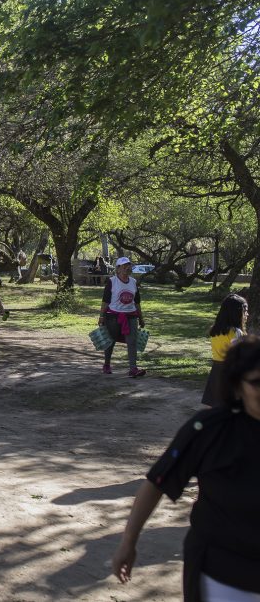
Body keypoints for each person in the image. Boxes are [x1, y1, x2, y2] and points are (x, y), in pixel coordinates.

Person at [111, 336, 260, 600]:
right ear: (237, 385)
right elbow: (156, 482)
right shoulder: (208, 430)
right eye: (257, 382)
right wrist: (128, 541)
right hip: (223, 575)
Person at [98, 257, 146, 377]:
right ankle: (107, 364)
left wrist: (141, 318)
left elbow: (137, 302)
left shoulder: (133, 282)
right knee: (111, 341)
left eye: (128, 265)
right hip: (113, 316)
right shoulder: (112, 281)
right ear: (118, 269)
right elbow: (105, 301)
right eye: (124, 265)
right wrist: (101, 316)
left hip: (131, 316)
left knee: (132, 341)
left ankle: (133, 369)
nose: (127, 267)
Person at [201, 294, 248, 406]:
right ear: (236, 313)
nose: (247, 314)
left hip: (216, 371)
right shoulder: (236, 332)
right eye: (245, 311)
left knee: (216, 406)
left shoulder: (215, 330)